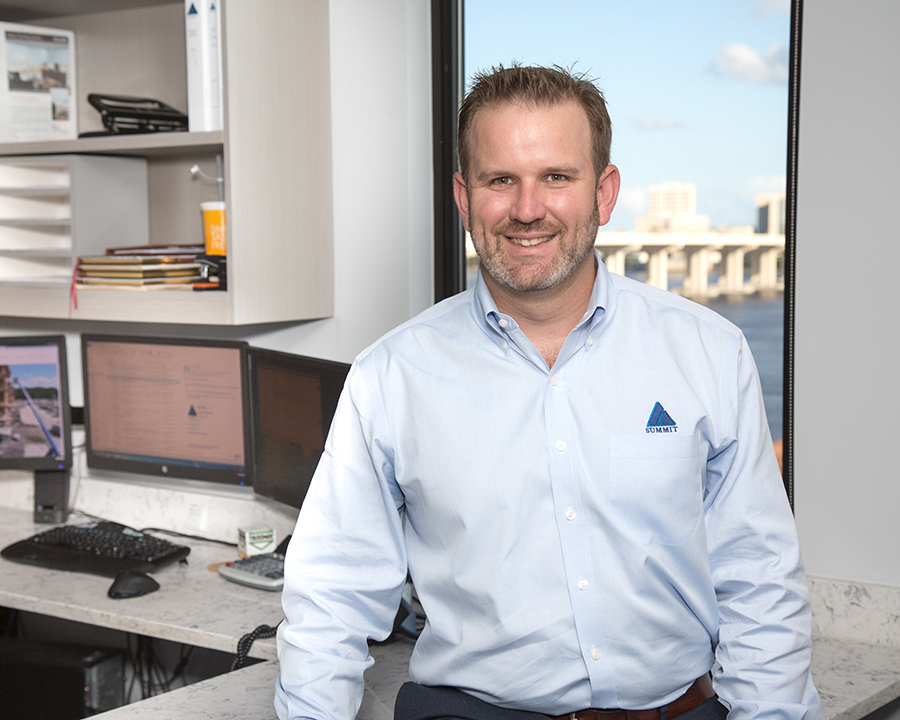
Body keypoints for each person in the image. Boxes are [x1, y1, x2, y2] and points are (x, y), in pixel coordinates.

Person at [275, 65, 821, 720]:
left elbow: (759, 584)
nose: (527, 208)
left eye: (556, 177)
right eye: (500, 179)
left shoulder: (709, 353)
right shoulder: (390, 376)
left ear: (605, 192)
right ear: (463, 195)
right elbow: (329, 598)